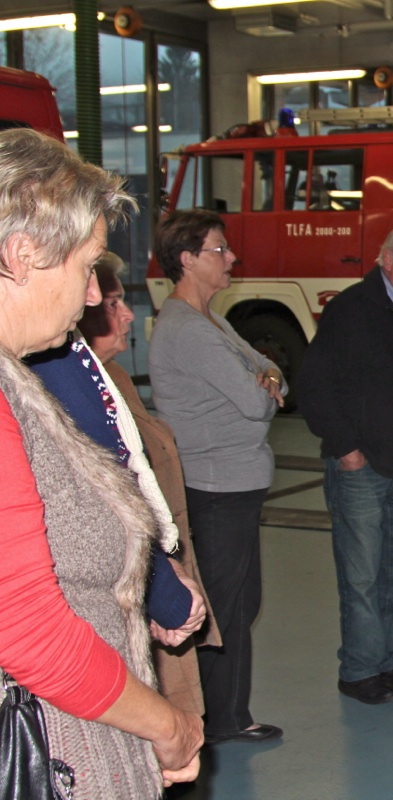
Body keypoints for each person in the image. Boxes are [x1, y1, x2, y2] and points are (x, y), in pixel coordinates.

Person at [0, 128, 203, 795]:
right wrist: (166, 726)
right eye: (87, 266)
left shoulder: (18, 380)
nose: (94, 296)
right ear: (23, 254)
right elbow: (26, 627)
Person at [149, 209, 286, 745]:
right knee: (222, 608)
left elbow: (273, 371)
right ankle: (212, 721)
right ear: (187, 259)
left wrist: (267, 376)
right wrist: (263, 384)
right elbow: (258, 402)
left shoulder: (212, 321)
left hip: (236, 486)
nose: (232, 258)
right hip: (216, 489)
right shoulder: (187, 330)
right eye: (219, 249)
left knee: (240, 602)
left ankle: (228, 714)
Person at [297, 226, 393, 706]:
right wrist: (346, 448)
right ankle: (359, 670)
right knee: (362, 575)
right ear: (386, 260)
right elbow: (314, 385)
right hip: (360, 466)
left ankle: (384, 658)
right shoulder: (351, 309)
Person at [78, 253, 221, 717]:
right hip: (126, 588)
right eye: (113, 304)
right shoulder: (73, 393)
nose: (126, 315)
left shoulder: (116, 378)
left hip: (159, 569)